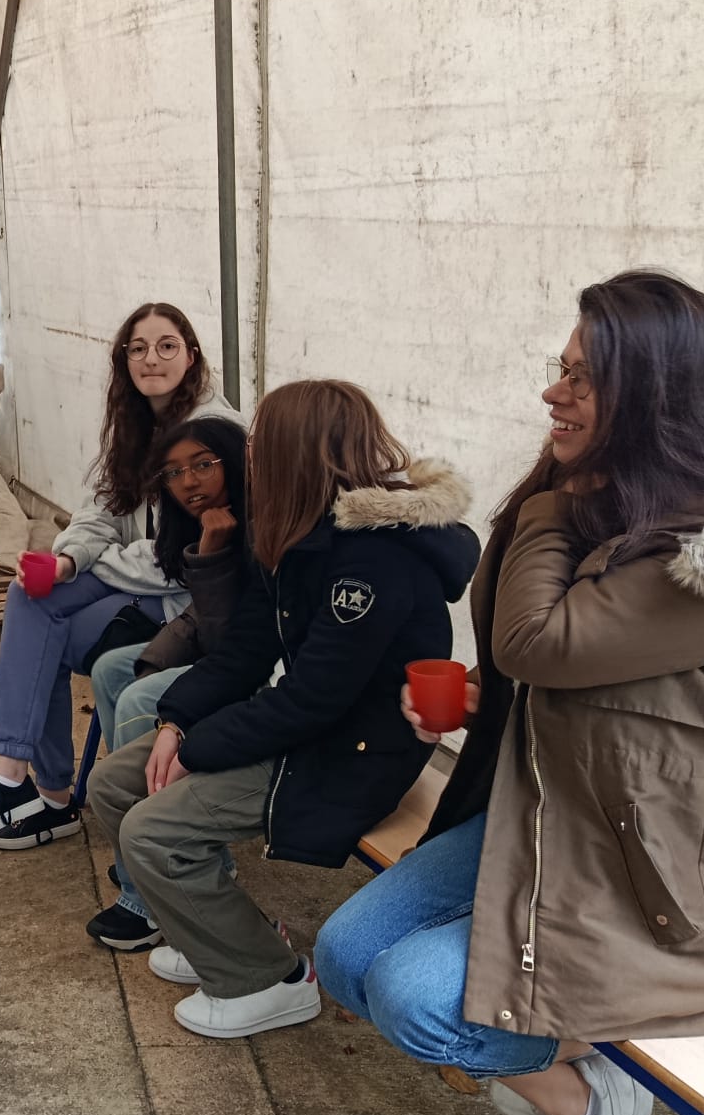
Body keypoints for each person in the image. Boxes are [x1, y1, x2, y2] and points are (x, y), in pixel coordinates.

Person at [315, 272, 704, 1115]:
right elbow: (561, 669)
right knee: (344, 952)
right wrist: (487, 701)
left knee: (415, 998)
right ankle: (578, 1073)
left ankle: (588, 1112)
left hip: (659, 876)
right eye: (561, 370)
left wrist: (558, 496)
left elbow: (539, 642)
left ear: (658, 394)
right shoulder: (620, 505)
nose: (554, 393)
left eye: (583, 378)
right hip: (556, 814)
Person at [88, 380, 478, 1041]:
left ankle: (268, 980)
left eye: (260, 442)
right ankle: (215, 932)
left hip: (356, 756)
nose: (249, 455)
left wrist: (198, 749)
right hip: (313, 732)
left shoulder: (373, 559)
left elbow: (314, 698)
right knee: (114, 784)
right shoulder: (301, 533)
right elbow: (245, 650)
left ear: (299, 453)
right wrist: (177, 721)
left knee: (153, 833)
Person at [0, 302, 232, 849]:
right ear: (124, 359)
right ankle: (18, 780)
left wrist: (93, 563)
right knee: (30, 596)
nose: (152, 359)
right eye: (138, 348)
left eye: (167, 346)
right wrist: (68, 560)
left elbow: (186, 556)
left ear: (192, 355)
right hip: (134, 577)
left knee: (43, 637)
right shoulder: (134, 424)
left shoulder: (214, 434)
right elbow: (101, 508)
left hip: (187, 600)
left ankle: (50, 797)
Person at [82, 415, 251, 951]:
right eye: (174, 472)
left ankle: (148, 890)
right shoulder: (202, 522)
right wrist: (152, 662)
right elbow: (200, 616)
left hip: (255, 672)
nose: (188, 482)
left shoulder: (255, 520)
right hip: (224, 655)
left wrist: (214, 553)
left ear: (235, 461)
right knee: (114, 668)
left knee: (140, 698)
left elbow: (230, 639)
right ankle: (151, 853)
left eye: (203, 465)